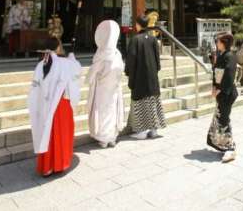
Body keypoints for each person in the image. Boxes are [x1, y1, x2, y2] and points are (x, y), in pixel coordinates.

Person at [28, 37, 82, 177]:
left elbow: (35, 88)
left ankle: (46, 167)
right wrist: (72, 57)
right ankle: (59, 164)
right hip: (60, 105)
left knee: (46, 133)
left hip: (44, 105)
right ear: (58, 48)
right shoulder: (65, 63)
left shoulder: (40, 65)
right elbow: (77, 70)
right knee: (60, 133)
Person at [125, 14, 166, 139]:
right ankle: (153, 130)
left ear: (138, 25)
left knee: (141, 102)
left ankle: (142, 130)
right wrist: (155, 70)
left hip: (139, 77)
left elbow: (131, 60)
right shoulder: (153, 39)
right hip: (152, 76)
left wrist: (128, 72)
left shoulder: (135, 39)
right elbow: (157, 60)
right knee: (153, 102)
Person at [87, 20, 125, 148]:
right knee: (112, 110)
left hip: (102, 89)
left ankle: (103, 137)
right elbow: (121, 70)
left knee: (102, 111)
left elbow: (93, 72)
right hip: (114, 88)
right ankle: (112, 137)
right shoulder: (117, 54)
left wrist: (90, 79)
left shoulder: (101, 54)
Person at [207, 32, 238, 163]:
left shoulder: (230, 56)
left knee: (223, 118)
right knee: (221, 117)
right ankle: (223, 145)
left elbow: (229, 76)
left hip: (227, 92)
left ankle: (230, 148)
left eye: (218, 41)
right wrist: (214, 87)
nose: (216, 43)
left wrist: (219, 89)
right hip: (221, 92)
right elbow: (216, 72)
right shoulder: (221, 55)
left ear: (224, 43)